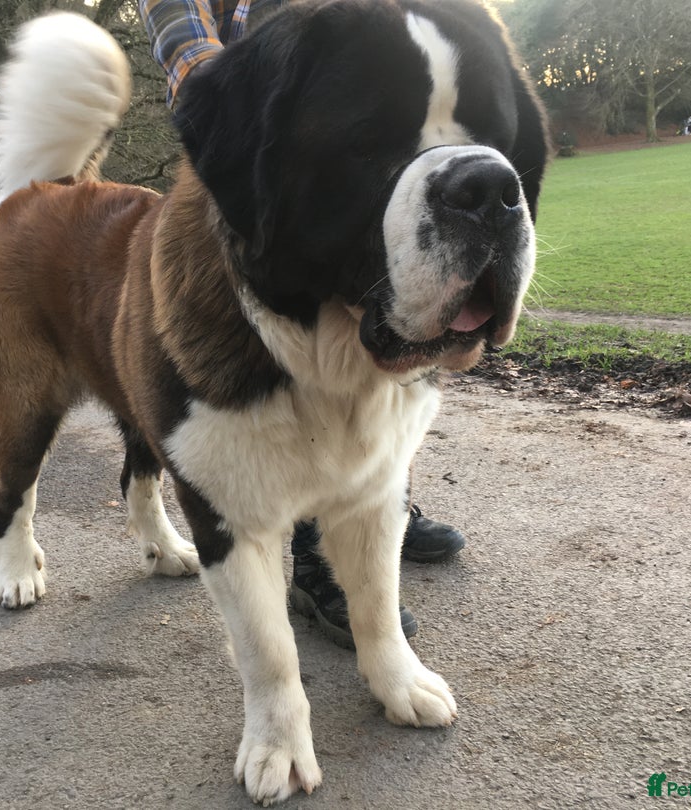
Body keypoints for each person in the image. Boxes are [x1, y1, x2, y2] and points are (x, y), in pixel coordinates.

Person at [139, 0, 467, 649]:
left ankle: (378, 501)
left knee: (391, 339)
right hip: (274, 123)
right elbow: (176, 13)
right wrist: (233, 98)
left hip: (382, 100)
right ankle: (317, 559)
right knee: (291, 348)